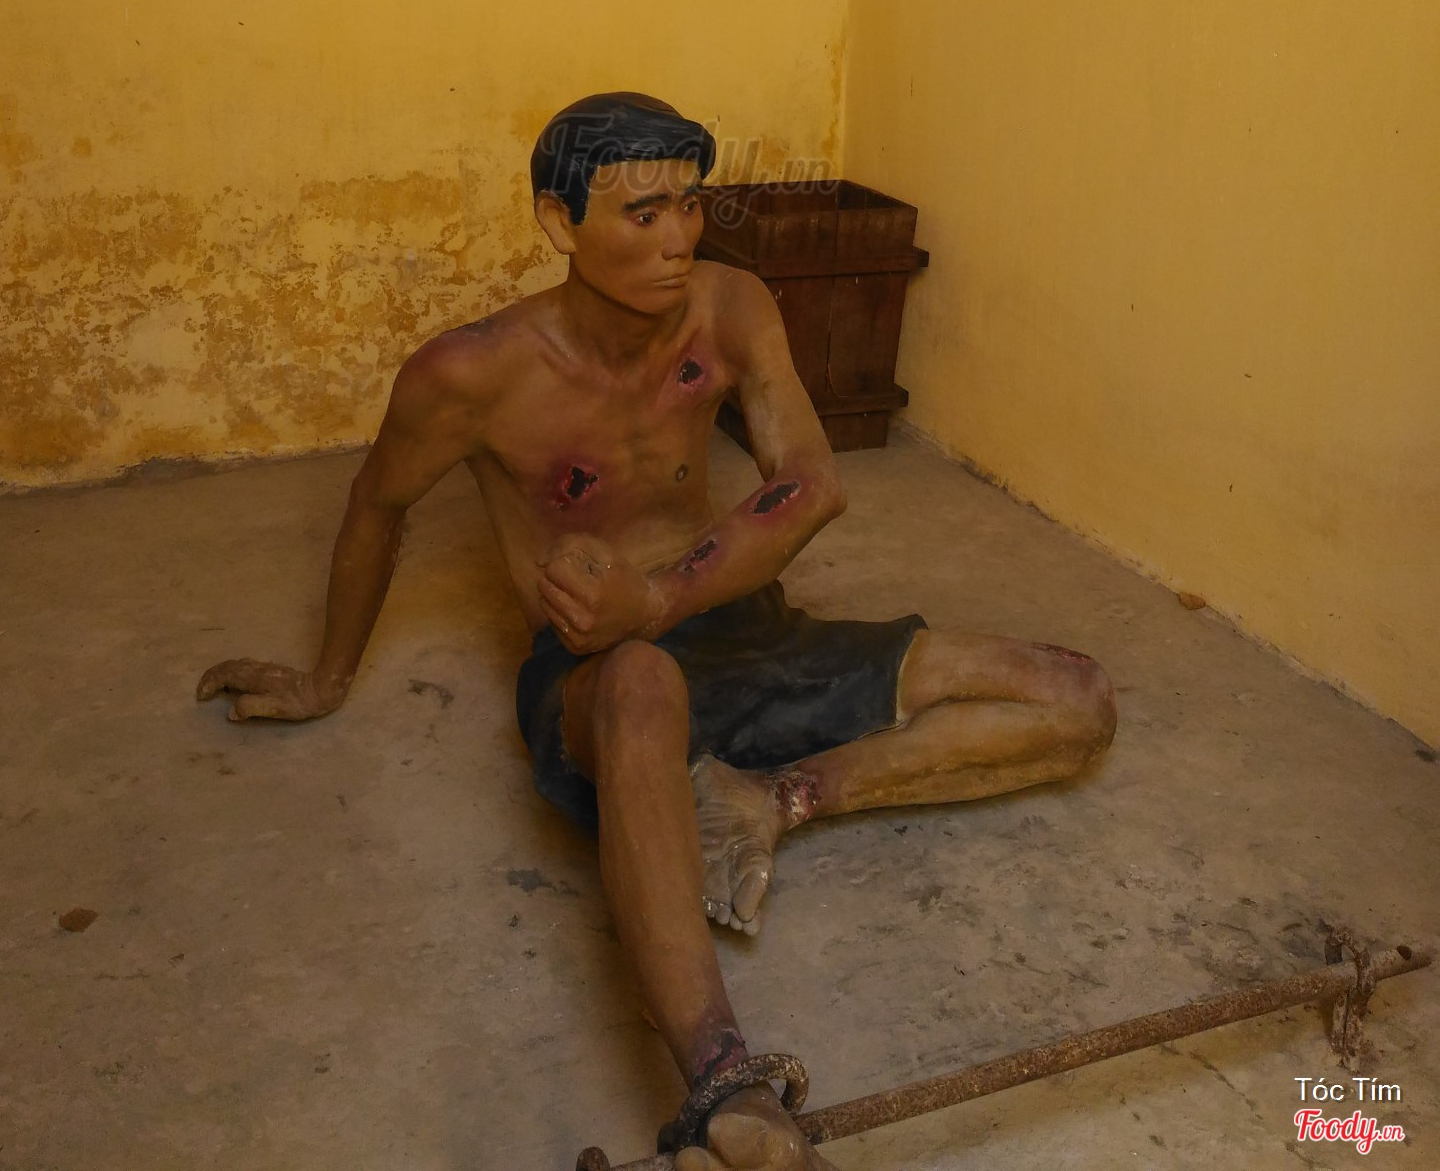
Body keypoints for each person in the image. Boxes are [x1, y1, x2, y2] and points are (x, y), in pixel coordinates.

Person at [199, 92, 1116, 1170]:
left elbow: (812, 482)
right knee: (641, 681)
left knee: (1075, 698)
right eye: (642, 213)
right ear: (558, 221)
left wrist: (662, 595)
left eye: (689, 204)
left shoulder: (728, 307)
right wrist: (326, 676)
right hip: (604, 670)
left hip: (747, 625)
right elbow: (375, 506)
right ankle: (724, 1083)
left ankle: (771, 797)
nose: (678, 238)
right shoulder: (471, 374)